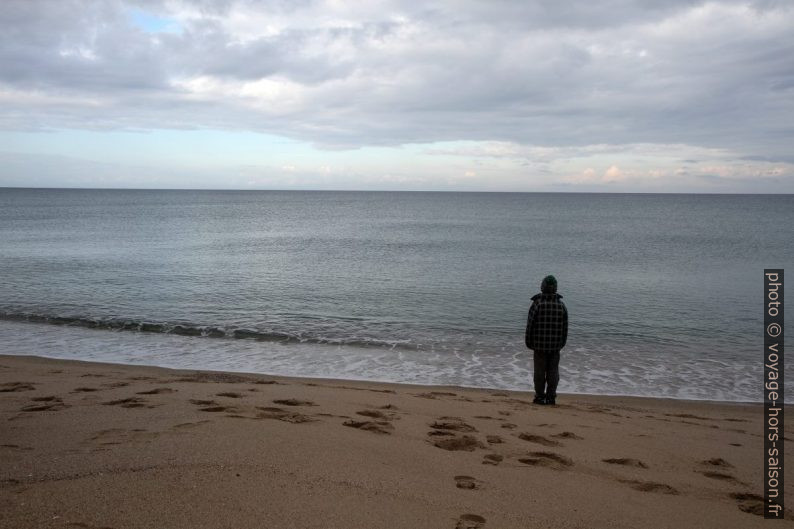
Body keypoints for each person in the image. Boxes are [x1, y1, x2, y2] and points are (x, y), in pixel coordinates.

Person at [525, 275, 568, 405]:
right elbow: (565, 329)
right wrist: (561, 344)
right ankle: (551, 397)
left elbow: (530, 325)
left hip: (539, 346)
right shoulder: (561, 306)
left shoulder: (537, 303)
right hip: (555, 346)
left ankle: (539, 396)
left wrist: (528, 342)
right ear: (555, 288)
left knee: (539, 373)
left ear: (542, 287)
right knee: (553, 372)